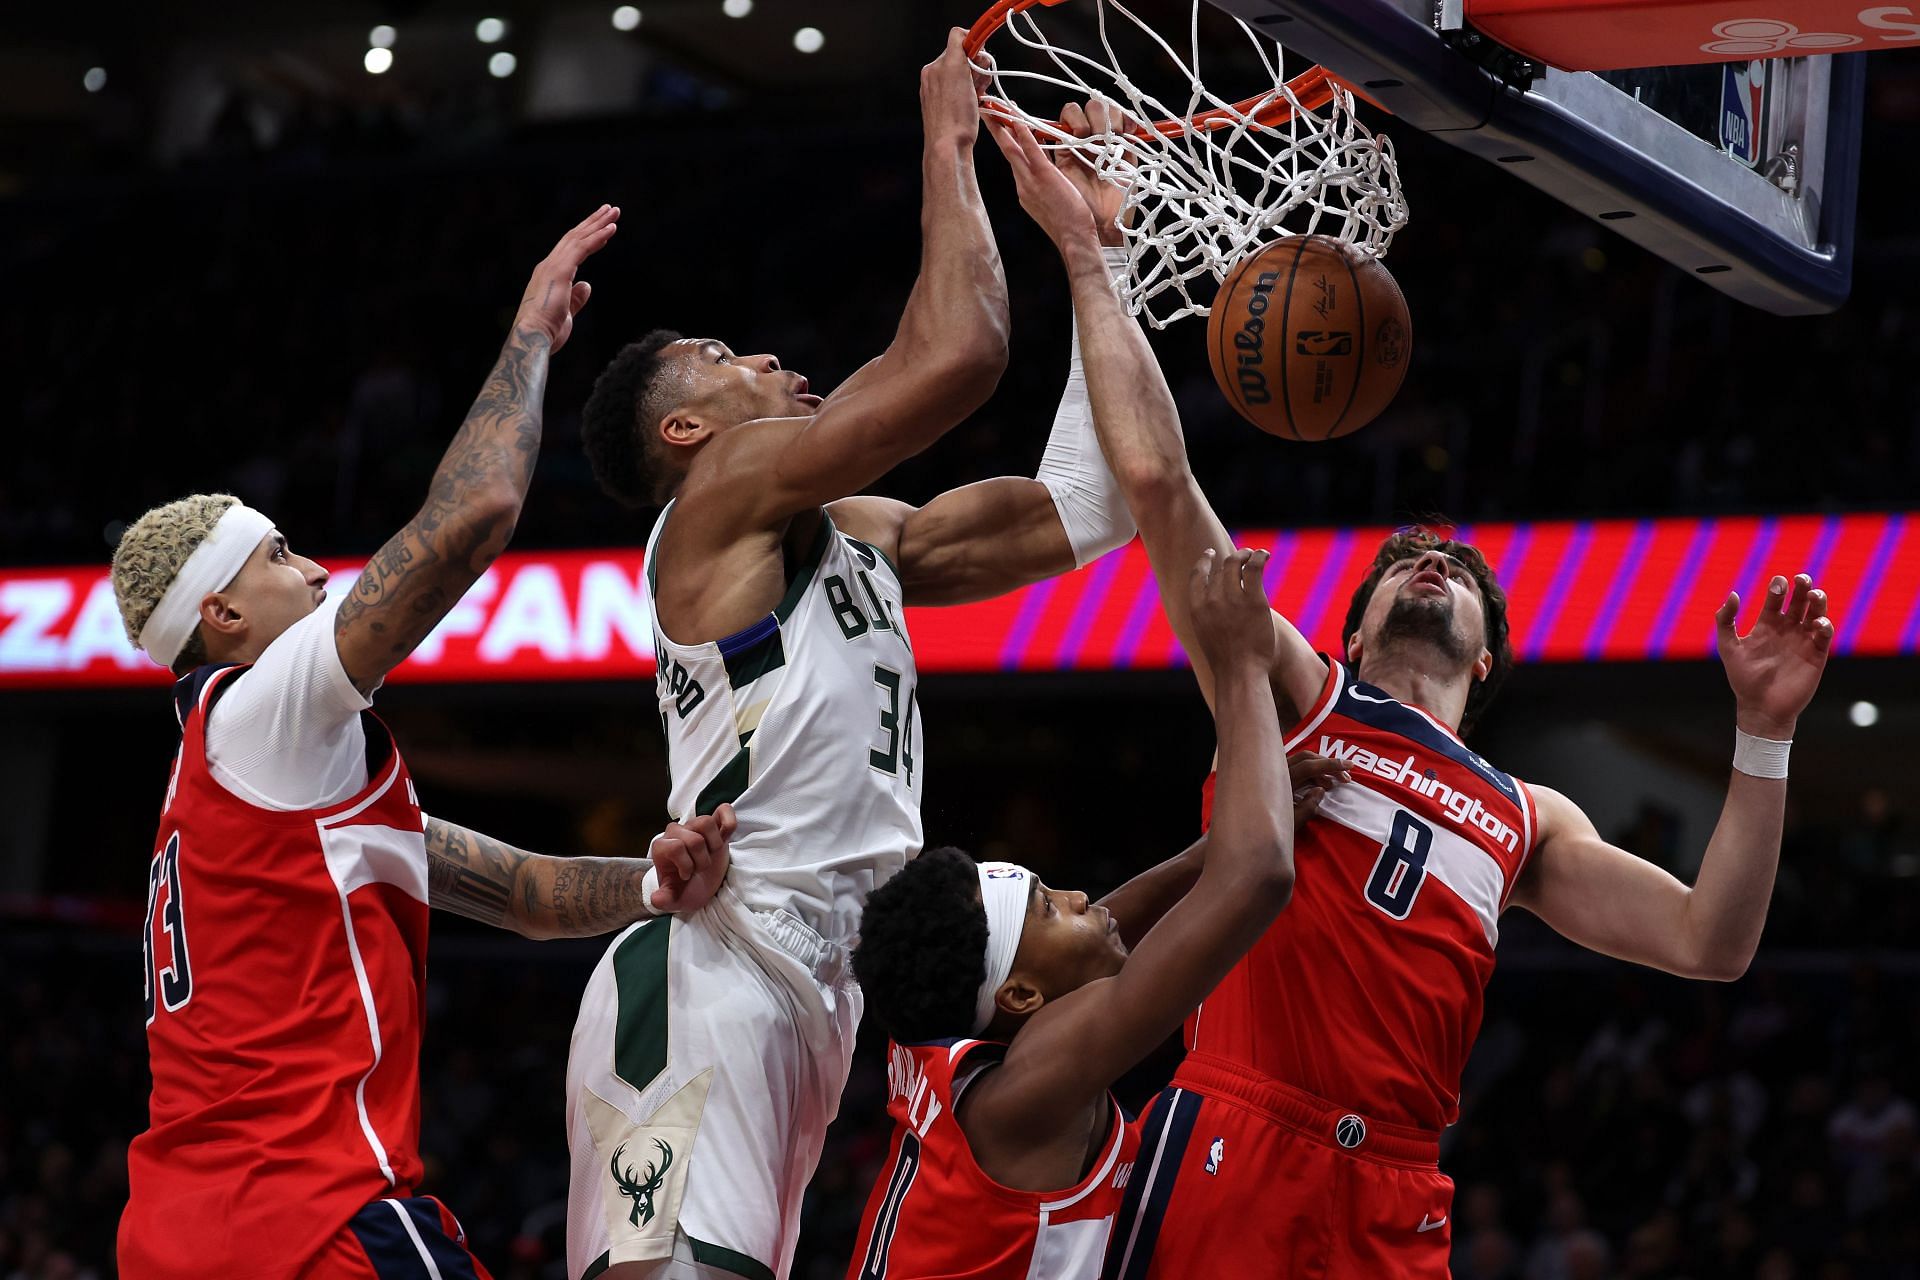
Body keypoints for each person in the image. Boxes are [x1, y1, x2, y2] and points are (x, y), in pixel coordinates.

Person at [987, 110, 1838, 1279]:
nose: (1426, 563)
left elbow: (1713, 940)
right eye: (1400, 563)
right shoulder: (1297, 690)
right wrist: (1094, 262)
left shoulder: (1527, 815)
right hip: (1244, 1132)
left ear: (1486, 657)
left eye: (1454, 571)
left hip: (1398, 1185)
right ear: (1353, 624)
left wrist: (1765, 733)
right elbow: (1157, 480)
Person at [563, 33, 1140, 1280]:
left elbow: (1086, 510)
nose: (770, 360)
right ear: (687, 429)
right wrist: (949, 145)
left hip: (821, 977)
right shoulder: (714, 500)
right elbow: (960, 357)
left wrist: (1105, 256)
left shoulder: (851, 536)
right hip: (724, 956)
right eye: (728, 360)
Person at [112, 206, 734, 1280]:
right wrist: (531, 334)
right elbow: (475, 512)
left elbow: (519, 892)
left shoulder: (258, 784)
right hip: (303, 1220)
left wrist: (649, 884)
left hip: (181, 1233)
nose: (315, 572)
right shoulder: (262, 711)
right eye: (282, 554)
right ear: (221, 616)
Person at [843, 549, 1346, 1280]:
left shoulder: (953, 1029)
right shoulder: (1027, 1098)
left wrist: (1199, 854)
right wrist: (1242, 668)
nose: (1083, 900)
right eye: (1051, 906)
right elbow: (1260, 876)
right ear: (1018, 997)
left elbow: (1091, 933)